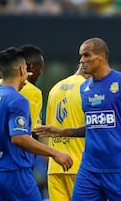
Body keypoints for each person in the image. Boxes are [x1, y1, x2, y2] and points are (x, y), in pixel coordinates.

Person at [34, 37, 121, 201]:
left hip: (119, 168)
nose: (82, 61)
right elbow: (92, 126)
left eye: (87, 55)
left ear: (101, 56)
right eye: (81, 56)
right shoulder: (85, 89)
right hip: (89, 169)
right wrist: (61, 131)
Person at [0, 46, 73, 201]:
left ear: (0, 71)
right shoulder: (18, 100)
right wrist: (55, 153)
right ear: (23, 70)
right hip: (14, 173)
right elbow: (19, 138)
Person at [0, 44, 44, 153]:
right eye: (40, 68)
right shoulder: (33, 92)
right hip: (15, 164)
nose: (40, 73)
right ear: (28, 67)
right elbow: (31, 134)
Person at [45, 64, 90, 200]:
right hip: (81, 166)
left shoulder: (55, 89)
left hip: (54, 167)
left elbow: (49, 129)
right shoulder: (89, 88)